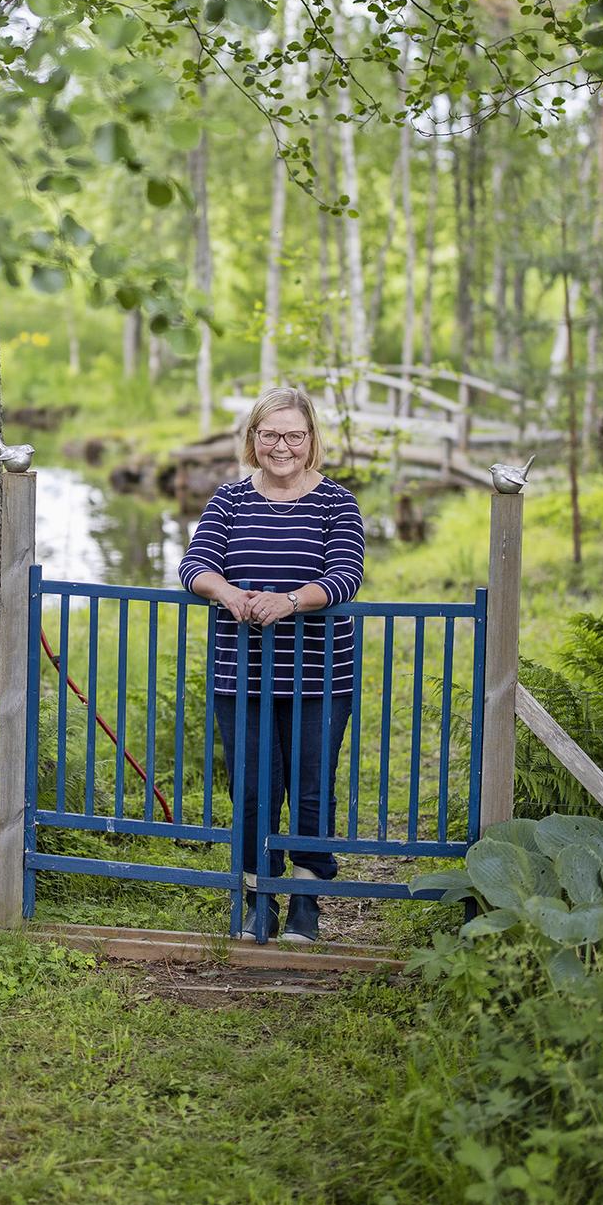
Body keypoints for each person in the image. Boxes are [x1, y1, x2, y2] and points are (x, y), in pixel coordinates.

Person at [178, 386, 365, 943]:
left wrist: (290, 601)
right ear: (253, 439)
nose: (281, 446)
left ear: (311, 440)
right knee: (253, 790)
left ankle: (305, 901)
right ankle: (259, 896)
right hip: (242, 676)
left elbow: (345, 576)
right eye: (270, 435)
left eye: (293, 436)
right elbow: (194, 565)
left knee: (311, 788)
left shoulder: (337, 503)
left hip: (320, 677)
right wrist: (227, 593)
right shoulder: (229, 500)